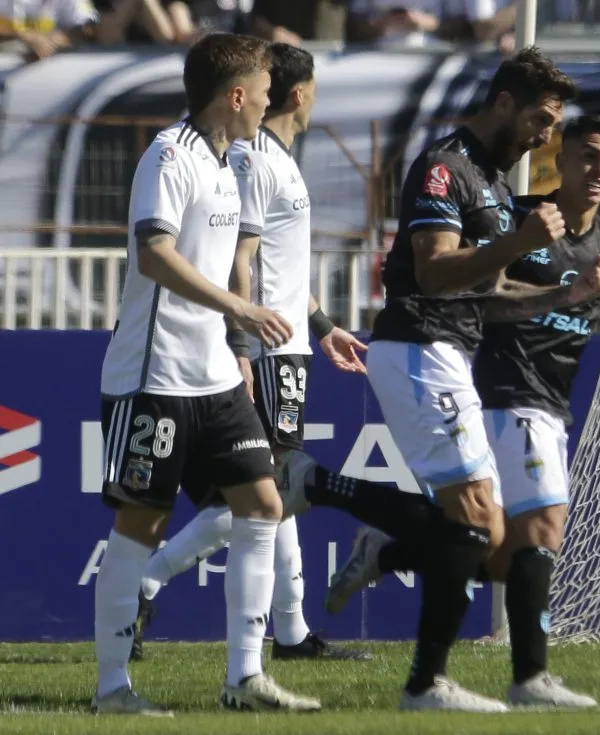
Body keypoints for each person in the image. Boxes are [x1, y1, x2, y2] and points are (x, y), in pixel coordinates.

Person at [326, 114, 600, 708]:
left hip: (552, 407)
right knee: (542, 530)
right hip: (503, 396)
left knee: (504, 552)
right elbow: (479, 292)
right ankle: (527, 679)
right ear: (562, 157)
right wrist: (551, 288)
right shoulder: (520, 223)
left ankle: (392, 549)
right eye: (588, 156)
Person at [276, 48, 600, 712]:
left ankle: (362, 535)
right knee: (476, 528)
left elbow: (484, 292)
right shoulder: (445, 168)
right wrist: (517, 242)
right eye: (542, 120)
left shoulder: (488, 178)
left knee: (485, 539)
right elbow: (433, 274)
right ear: (504, 103)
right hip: (416, 350)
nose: (547, 136)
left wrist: (559, 295)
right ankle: (424, 680)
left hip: (448, 353)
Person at [92, 32, 319, 715]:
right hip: (154, 376)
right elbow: (155, 253)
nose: (273, 101)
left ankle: (245, 678)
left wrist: (239, 350)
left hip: (217, 377)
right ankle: (112, 689)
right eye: (264, 88)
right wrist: (238, 308)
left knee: (263, 503)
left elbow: (230, 263)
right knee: (142, 523)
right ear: (237, 94)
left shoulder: (230, 165)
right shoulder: (171, 154)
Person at [129, 43, 370, 663]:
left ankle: (288, 632)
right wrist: (243, 341)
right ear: (297, 92)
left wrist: (320, 324)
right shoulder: (252, 160)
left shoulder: (279, 159)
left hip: (288, 340)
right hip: (265, 347)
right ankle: (149, 579)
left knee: (273, 492)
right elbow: (242, 261)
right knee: (266, 490)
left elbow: (282, 265)